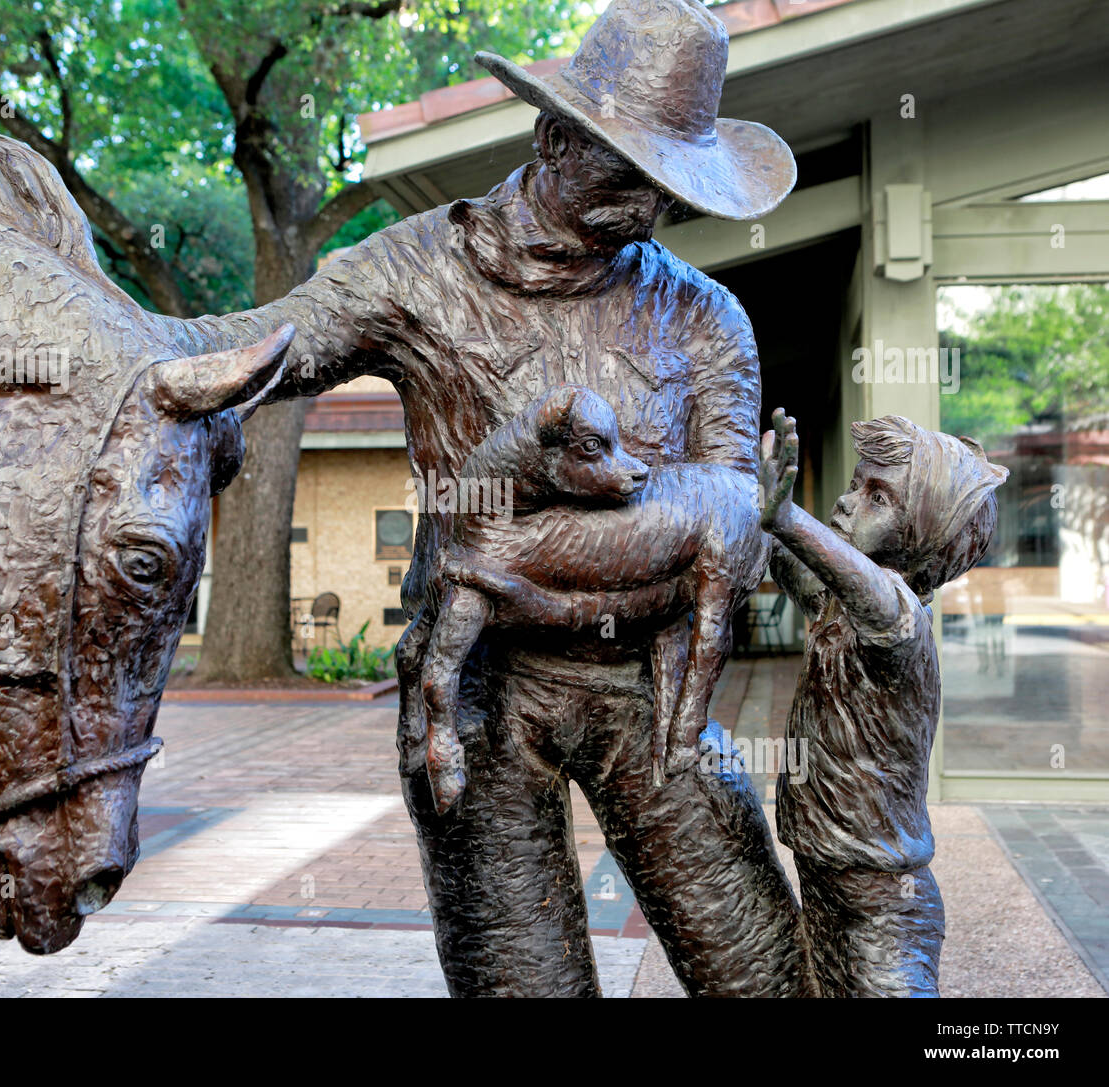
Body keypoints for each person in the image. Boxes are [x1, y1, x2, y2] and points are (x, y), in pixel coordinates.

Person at [193, 0, 810, 995]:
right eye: (626, 171)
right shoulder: (413, 270)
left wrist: (548, 548)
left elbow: (732, 506)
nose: (648, 206)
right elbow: (254, 351)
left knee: (763, 974)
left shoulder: (705, 318)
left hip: (651, 694)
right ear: (554, 135)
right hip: (478, 684)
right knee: (520, 981)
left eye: (666, 184)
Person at [758, 408, 1008, 996]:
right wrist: (747, 481)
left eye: (878, 497)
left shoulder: (900, 619)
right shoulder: (831, 601)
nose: (847, 502)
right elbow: (779, 550)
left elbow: (864, 587)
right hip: (822, 869)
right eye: (854, 484)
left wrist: (788, 518)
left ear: (923, 540)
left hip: (885, 904)